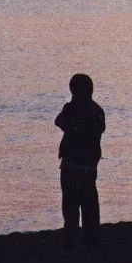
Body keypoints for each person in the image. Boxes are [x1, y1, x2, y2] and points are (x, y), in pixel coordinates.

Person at [54, 73, 105, 247]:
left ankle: (71, 237)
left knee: (70, 204)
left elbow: (59, 122)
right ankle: (91, 238)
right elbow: (99, 129)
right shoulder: (97, 110)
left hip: (71, 163)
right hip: (89, 163)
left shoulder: (71, 108)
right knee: (89, 202)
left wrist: (74, 128)